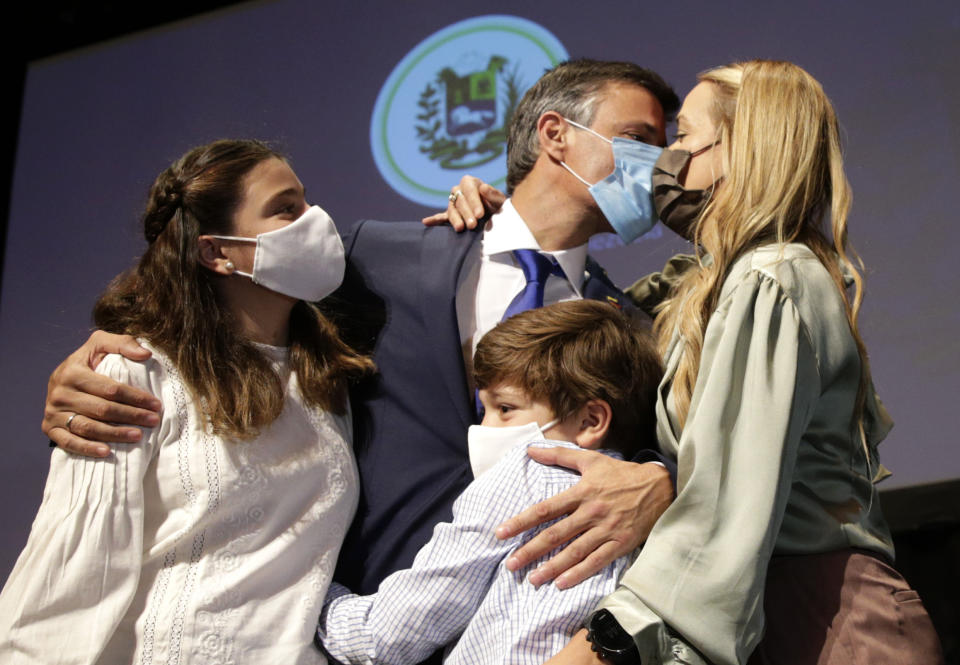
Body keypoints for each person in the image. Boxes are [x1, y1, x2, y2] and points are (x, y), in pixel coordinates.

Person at [39, 60, 681, 641]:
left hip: (524, 631)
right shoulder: (379, 255)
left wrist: (659, 480)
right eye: (639, 140)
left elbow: (650, 454)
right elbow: (229, 318)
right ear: (555, 134)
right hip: (358, 626)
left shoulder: (629, 328)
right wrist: (93, 367)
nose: (656, 166)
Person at [445, 60, 943, 665]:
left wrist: (595, 651)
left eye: (681, 140)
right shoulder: (712, 285)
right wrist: (498, 226)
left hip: (823, 623)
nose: (662, 166)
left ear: (742, 149)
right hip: (764, 617)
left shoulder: (770, 278)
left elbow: (719, 517)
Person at [0, 139, 374, 664]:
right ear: (215, 251)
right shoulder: (133, 371)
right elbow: (72, 580)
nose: (315, 221)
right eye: (285, 208)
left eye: (306, 202)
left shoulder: (326, 378)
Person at [317, 300, 663, 665]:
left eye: (506, 409)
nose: (484, 430)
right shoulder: (661, 510)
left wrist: (317, 598)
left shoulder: (527, 474)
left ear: (591, 421)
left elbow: (389, 636)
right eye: (484, 410)